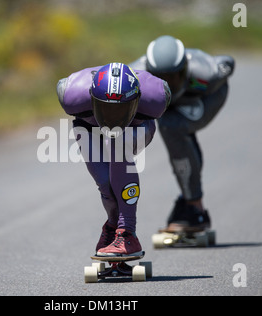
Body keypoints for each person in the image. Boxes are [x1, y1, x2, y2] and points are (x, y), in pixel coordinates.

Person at [57, 62, 171, 256]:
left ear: (138, 100)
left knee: (118, 141)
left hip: (136, 130)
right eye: (105, 108)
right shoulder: (71, 93)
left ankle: (127, 234)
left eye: (121, 109)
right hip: (89, 129)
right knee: (105, 182)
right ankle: (112, 226)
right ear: (91, 99)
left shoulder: (157, 97)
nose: (113, 117)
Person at [129, 35, 235, 234]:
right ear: (148, 72)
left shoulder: (207, 73)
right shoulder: (134, 75)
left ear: (186, 69)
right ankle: (188, 201)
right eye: (159, 79)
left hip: (204, 99)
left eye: (174, 77)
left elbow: (228, 62)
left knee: (172, 127)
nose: (167, 85)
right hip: (169, 107)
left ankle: (195, 207)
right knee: (175, 132)